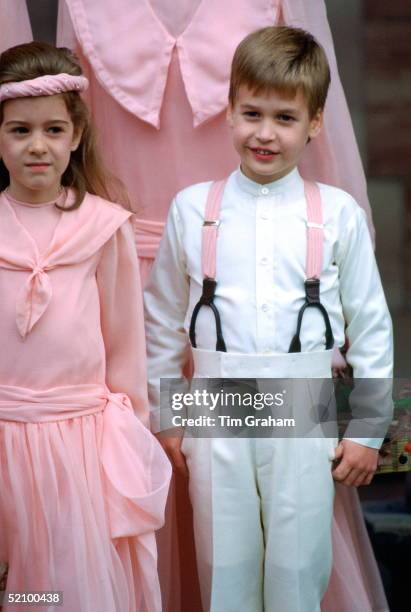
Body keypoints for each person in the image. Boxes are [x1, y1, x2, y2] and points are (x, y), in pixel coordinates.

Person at [144, 26, 393, 612]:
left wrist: (367, 429)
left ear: (314, 124)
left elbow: (372, 325)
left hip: (306, 402)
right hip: (212, 401)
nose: (264, 132)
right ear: (229, 111)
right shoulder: (191, 208)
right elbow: (158, 321)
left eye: (284, 117)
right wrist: (165, 417)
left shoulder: (336, 214)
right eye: (251, 112)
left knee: (296, 567)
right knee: (222, 565)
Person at [0, 42, 171, 612]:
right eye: (19, 131)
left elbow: (125, 349)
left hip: (79, 445)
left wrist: (130, 442)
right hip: (5, 439)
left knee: (66, 589)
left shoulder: (102, 227)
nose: (37, 146)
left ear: (76, 136)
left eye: (52, 130)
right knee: (18, 588)